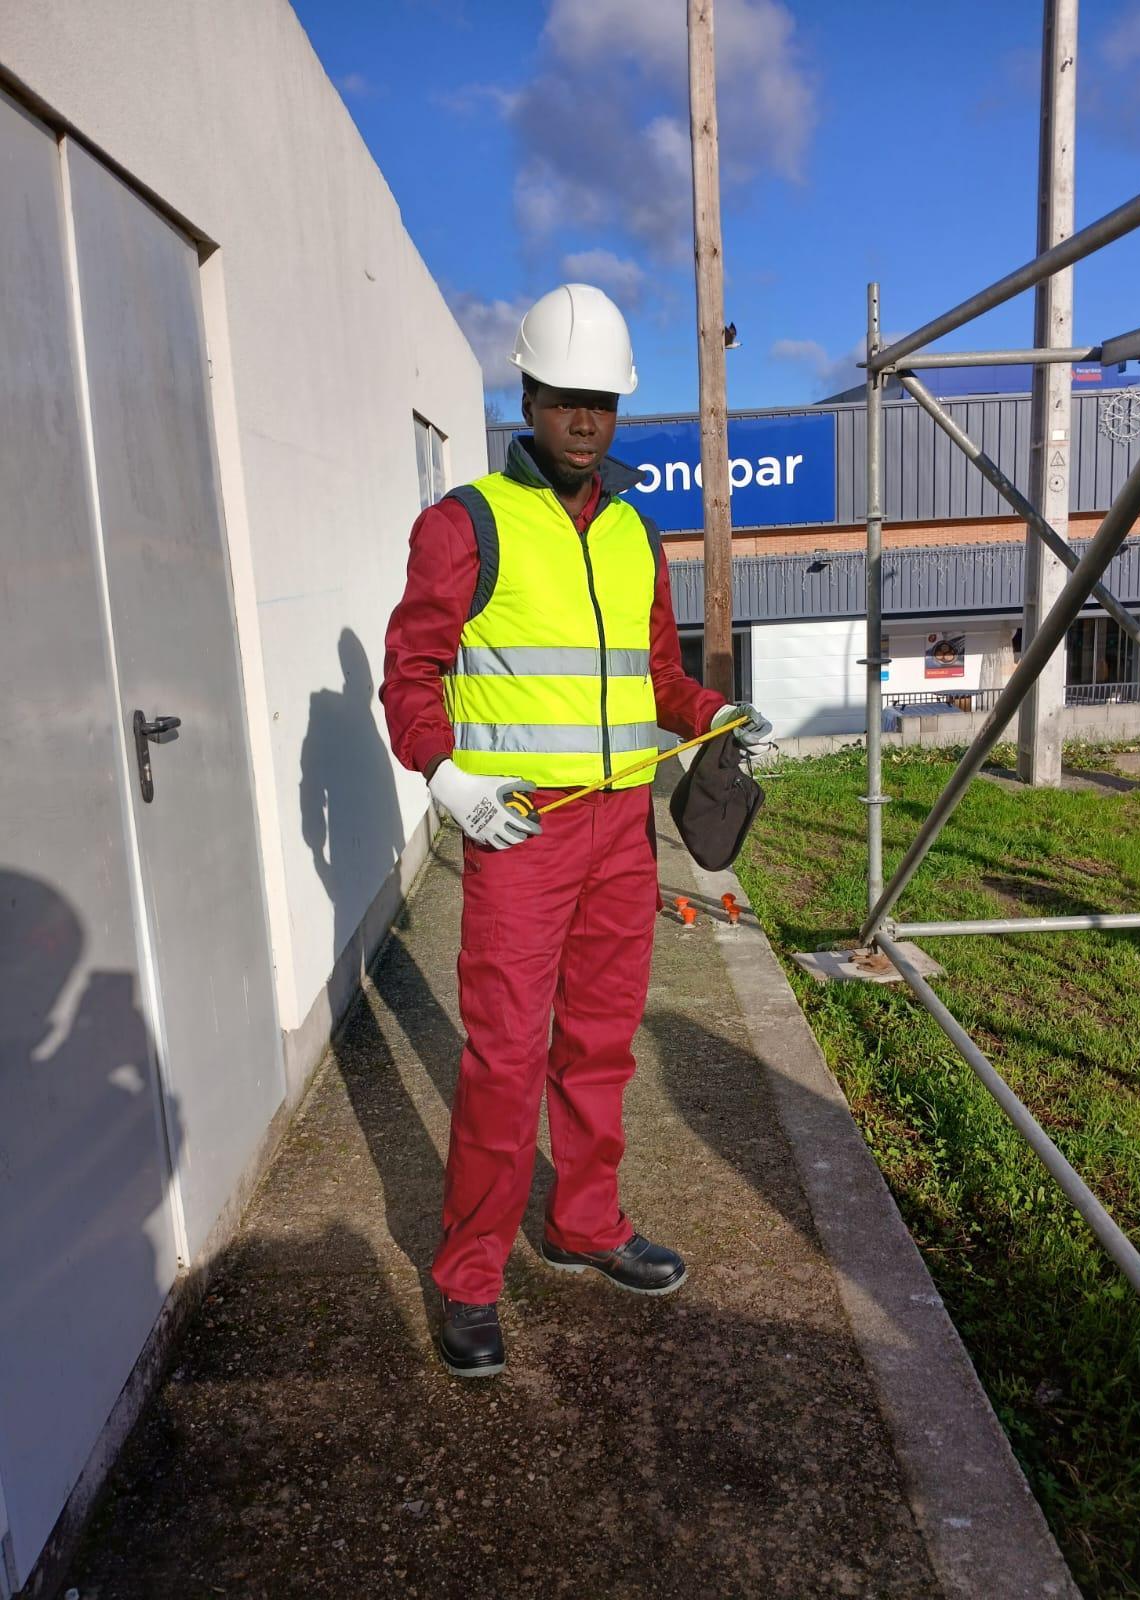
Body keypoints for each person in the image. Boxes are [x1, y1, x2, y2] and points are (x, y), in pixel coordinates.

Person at [381, 283, 772, 1377]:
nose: (584, 420)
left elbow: (653, 674)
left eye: (601, 401)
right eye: (564, 400)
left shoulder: (638, 532)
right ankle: (467, 1275)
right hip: (520, 837)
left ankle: (584, 1222)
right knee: (505, 1060)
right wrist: (445, 776)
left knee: (599, 1048)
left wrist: (710, 714)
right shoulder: (466, 524)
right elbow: (409, 669)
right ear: (529, 396)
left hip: (619, 833)